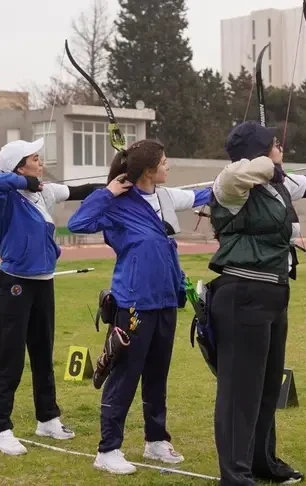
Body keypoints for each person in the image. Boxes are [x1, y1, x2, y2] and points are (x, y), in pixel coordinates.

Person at [206, 120, 306, 485]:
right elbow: (255, 169)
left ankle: (262, 462)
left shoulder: (276, 184)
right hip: (242, 295)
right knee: (240, 392)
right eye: (274, 144)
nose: (281, 150)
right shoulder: (229, 184)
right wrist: (268, 160)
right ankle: (236, 475)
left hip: (273, 295)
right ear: (259, 152)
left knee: (266, 388)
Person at [66, 139, 212, 475]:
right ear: (147, 170)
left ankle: (156, 440)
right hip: (134, 301)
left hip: (164, 299)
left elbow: (201, 196)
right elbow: (78, 223)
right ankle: (108, 449)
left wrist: (236, 184)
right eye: (163, 162)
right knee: (125, 375)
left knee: (158, 373)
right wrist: (109, 191)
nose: (168, 166)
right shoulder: (118, 202)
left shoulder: (163, 196)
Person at [0, 138, 104, 456]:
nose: (40, 162)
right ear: (20, 166)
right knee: (9, 358)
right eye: (34, 158)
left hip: (43, 282)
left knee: (42, 353)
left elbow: (79, 191)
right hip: (14, 285)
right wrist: (27, 182)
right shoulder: (4, 197)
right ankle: (0, 429)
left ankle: (47, 418)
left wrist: (116, 183)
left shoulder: (43, 193)